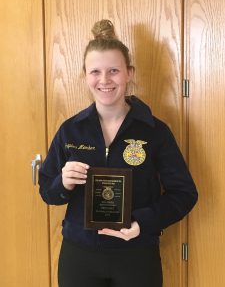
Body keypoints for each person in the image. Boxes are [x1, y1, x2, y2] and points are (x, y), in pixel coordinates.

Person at [38, 19, 198, 287]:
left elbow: (185, 194)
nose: (104, 80)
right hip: (80, 255)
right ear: (85, 75)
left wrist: (142, 223)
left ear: (129, 73)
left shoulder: (154, 131)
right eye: (95, 72)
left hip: (137, 254)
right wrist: (62, 183)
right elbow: (47, 191)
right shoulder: (70, 131)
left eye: (114, 70)